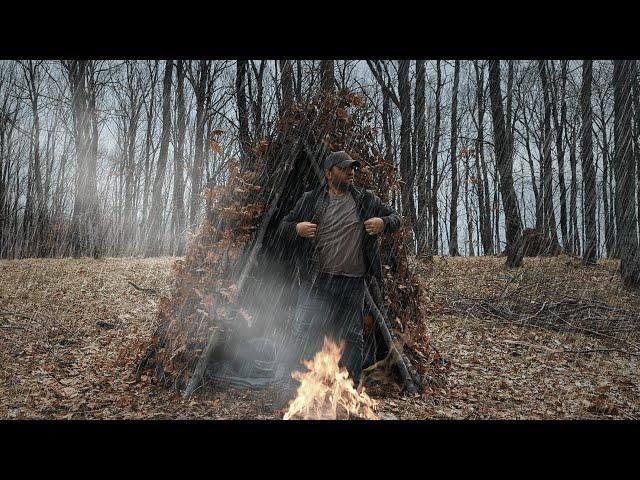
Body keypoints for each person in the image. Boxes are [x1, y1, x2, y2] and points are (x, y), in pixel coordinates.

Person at [275, 150, 402, 406]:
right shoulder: (311, 200)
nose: (351, 172)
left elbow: (396, 218)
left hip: (353, 283)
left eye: (352, 169)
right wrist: (297, 228)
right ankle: (301, 390)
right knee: (307, 331)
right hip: (318, 281)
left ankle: (350, 392)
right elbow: (283, 227)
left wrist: (382, 223)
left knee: (353, 337)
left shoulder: (364, 200)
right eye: (344, 169)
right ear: (329, 172)